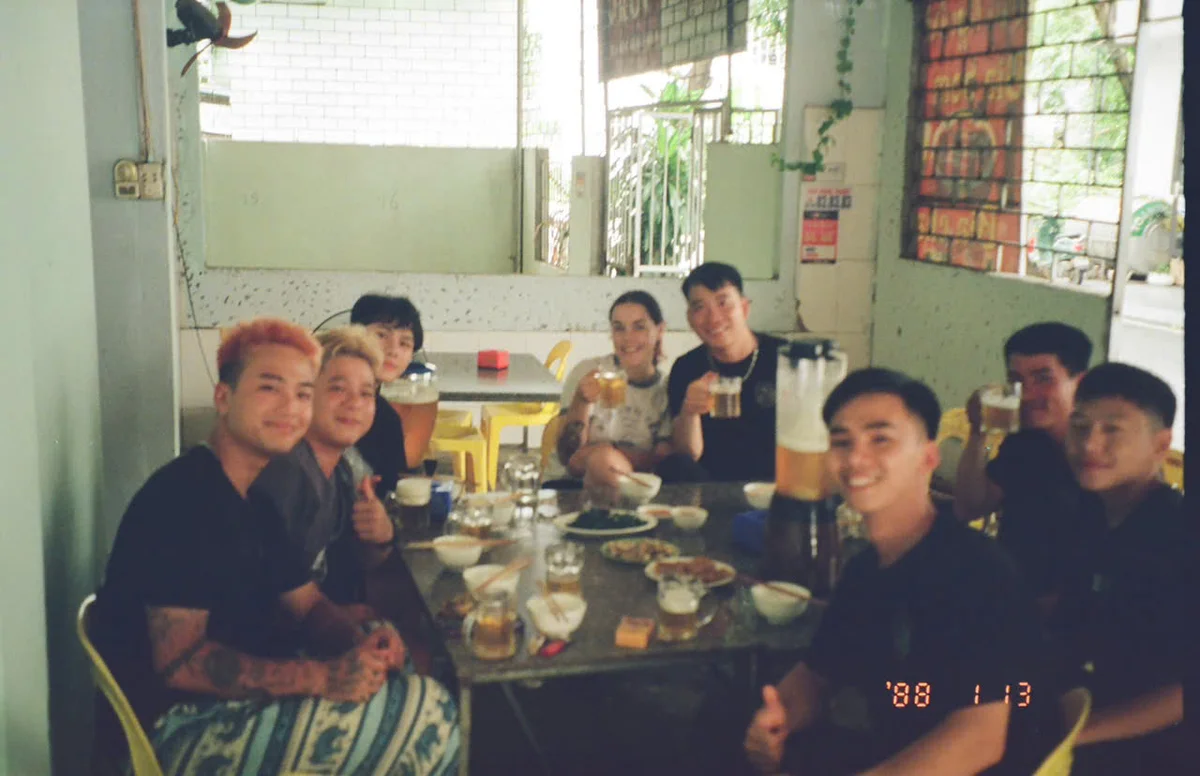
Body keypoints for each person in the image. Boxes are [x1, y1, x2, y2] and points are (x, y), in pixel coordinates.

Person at [91, 318, 458, 775]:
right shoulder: (183, 497)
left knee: (411, 680)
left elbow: (305, 605)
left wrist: (360, 643)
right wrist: (324, 678)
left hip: (236, 704)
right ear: (224, 397)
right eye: (270, 388)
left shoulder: (253, 500)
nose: (290, 407)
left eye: (303, 393)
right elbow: (181, 663)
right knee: (431, 715)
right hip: (180, 730)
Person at [743, 368, 1058, 775]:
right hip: (894, 744)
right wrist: (777, 718)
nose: (856, 458)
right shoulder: (865, 570)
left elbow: (980, 737)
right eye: (842, 442)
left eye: (880, 439)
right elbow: (817, 674)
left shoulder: (975, 572)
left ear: (928, 457)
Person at [1048, 363, 1189, 774]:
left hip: (1151, 753)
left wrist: (1073, 734)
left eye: (1113, 430)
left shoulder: (1177, 537)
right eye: (1080, 427)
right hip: (1074, 707)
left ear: (1161, 446)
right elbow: (1070, 605)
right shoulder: (1090, 512)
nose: (1089, 445)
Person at [251, 326, 397, 608]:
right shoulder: (286, 473)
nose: (354, 403)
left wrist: (381, 535)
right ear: (305, 395)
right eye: (338, 388)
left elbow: (360, 563)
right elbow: (266, 598)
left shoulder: (341, 470)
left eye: (366, 393)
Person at [953, 321, 1100, 597]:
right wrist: (978, 432)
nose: (1027, 394)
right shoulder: (1025, 442)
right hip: (1010, 592)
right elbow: (969, 508)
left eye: (1043, 379)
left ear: (1080, 383)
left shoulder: (1101, 457)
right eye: (1017, 381)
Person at [663, 263, 785, 482]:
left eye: (723, 303)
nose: (714, 318)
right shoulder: (686, 368)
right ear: (690, 319)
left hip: (776, 488)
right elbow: (687, 454)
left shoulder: (784, 359)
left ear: (744, 308)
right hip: (709, 489)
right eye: (700, 307)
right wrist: (689, 411)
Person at [554, 290, 674, 490]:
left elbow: (661, 460)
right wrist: (581, 402)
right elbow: (568, 458)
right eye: (619, 328)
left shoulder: (665, 389)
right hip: (570, 488)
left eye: (639, 327)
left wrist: (605, 452)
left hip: (634, 490)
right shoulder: (589, 372)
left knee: (604, 459)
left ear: (660, 330)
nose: (628, 338)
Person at [349, 293, 426, 497]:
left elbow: (393, 490)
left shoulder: (387, 419)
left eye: (405, 343)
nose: (393, 350)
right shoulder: (323, 402)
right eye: (381, 335)